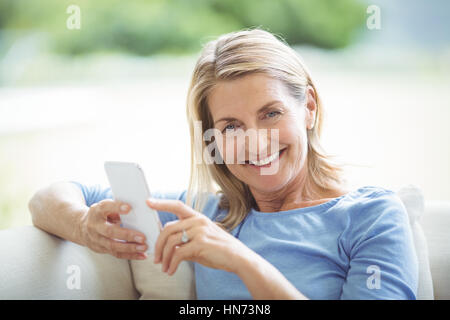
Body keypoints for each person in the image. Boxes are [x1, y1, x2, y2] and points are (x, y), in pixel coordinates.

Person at [28, 28, 418, 300]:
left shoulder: (372, 216)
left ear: (309, 108)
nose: (255, 142)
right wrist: (84, 226)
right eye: (232, 126)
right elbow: (47, 198)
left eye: (270, 113)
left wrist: (242, 261)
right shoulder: (210, 214)